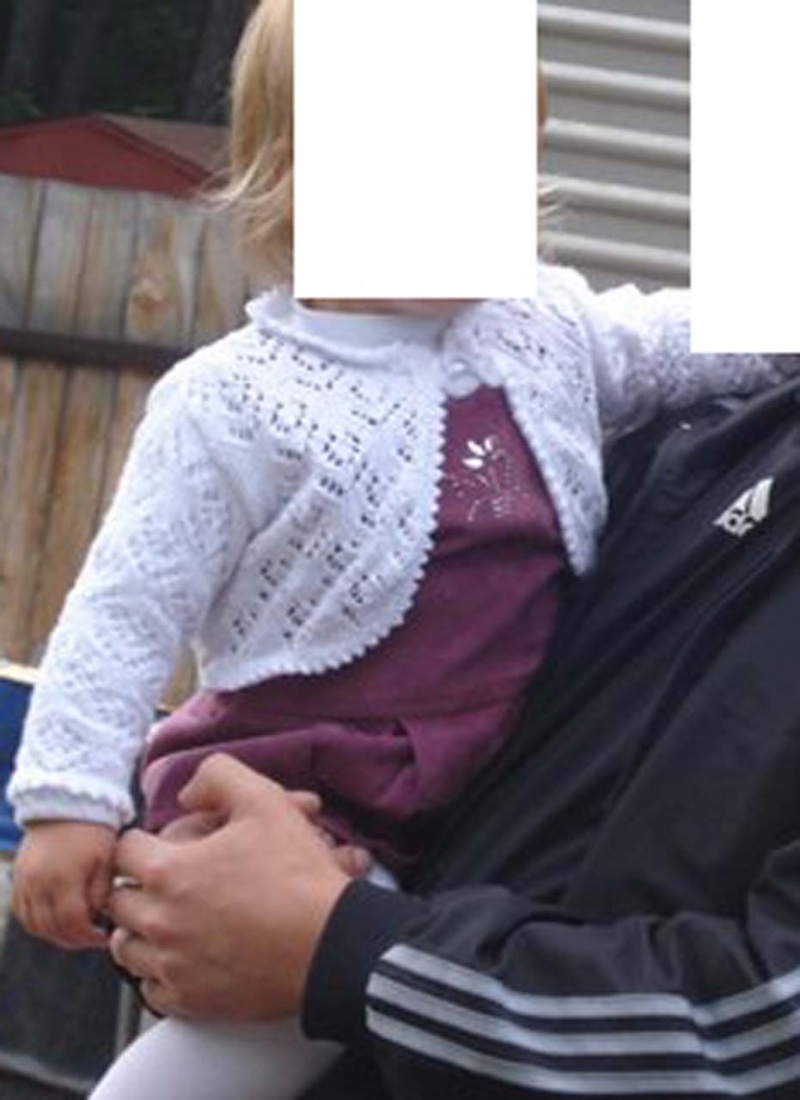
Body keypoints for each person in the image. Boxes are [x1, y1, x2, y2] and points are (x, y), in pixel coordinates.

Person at [7, 0, 798, 1096]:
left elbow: (684, 342)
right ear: (302, 177)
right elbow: (123, 610)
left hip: (463, 803)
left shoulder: (543, 327)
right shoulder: (235, 400)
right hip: (307, 796)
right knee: (226, 1053)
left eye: (507, 168)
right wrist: (66, 802)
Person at [107, 377, 800, 1099]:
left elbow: (768, 1031)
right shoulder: (702, 430)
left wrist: (343, 950)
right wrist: (233, 871)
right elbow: (453, 691)